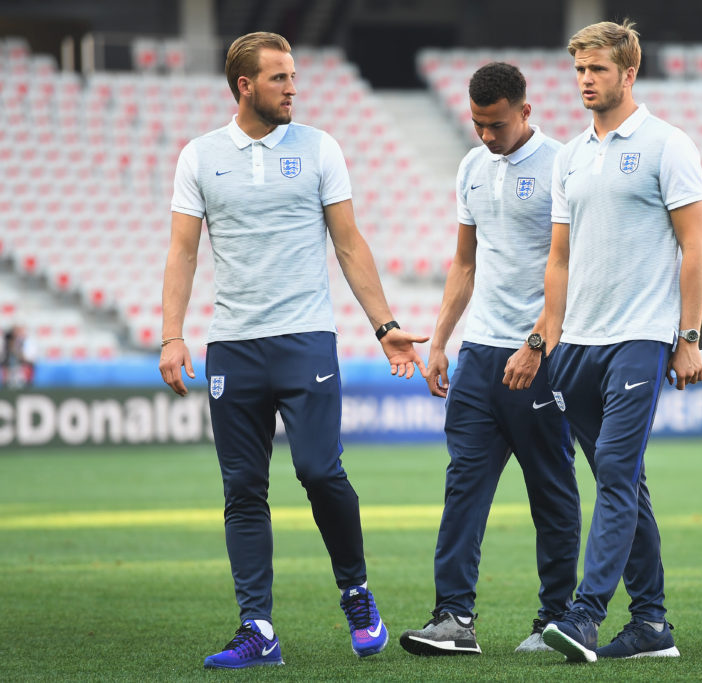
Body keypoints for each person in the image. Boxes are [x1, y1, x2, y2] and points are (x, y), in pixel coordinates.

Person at [158, 32, 427, 669]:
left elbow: (350, 243)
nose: (293, 88)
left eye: (293, 76)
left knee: (318, 470)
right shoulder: (200, 156)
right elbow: (182, 251)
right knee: (242, 489)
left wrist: (384, 324)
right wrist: (173, 334)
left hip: (306, 338)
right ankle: (257, 627)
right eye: (279, 78)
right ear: (245, 85)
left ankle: (356, 592)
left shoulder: (318, 148)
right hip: (233, 347)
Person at [539, 20, 702, 662]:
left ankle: (583, 617)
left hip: (640, 338)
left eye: (598, 70)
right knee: (624, 481)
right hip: (575, 346)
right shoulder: (570, 154)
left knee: (613, 474)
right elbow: (559, 257)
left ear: (629, 73)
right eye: (579, 69)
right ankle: (653, 626)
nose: (585, 80)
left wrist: (687, 336)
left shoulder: (668, 145)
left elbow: (695, 247)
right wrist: (548, 340)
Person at [399, 62, 581, 657]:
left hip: (541, 355)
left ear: (525, 112)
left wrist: (535, 344)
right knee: (463, 487)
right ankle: (453, 618)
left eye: (496, 124)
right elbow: (464, 264)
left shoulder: (563, 165)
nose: (485, 136)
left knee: (550, 491)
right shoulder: (472, 167)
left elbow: (573, 268)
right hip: (479, 355)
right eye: (477, 124)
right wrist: (439, 342)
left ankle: (556, 620)